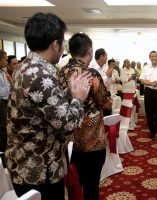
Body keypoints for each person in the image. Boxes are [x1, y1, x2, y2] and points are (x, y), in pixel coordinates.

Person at [4, 12, 91, 200]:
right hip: (39, 170)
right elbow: (67, 123)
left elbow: (48, 108)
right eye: (62, 45)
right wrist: (79, 98)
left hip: (28, 164)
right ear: (55, 44)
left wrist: (70, 91)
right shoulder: (40, 75)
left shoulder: (25, 66)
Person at [59, 32, 108, 200]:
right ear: (90, 51)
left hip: (67, 141)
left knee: (72, 186)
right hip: (91, 142)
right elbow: (104, 102)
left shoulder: (59, 73)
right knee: (91, 187)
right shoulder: (91, 74)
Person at [89, 48, 112, 116]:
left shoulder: (106, 67)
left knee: (108, 117)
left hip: (106, 96)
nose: (107, 58)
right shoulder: (92, 68)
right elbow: (95, 84)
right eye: (106, 56)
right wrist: (107, 76)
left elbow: (108, 83)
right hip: (97, 99)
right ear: (101, 56)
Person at [0, 50, 9, 153]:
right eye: (5, 59)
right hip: (1, 102)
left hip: (5, 101)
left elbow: (8, 86)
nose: (6, 62)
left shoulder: (3, 71)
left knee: (5, 127)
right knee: (2, 128)